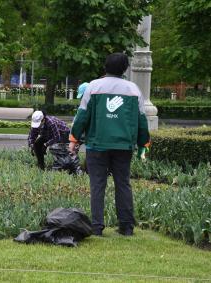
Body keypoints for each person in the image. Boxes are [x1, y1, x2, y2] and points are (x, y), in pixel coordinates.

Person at [69, 53, 150, 236]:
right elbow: (142, 120)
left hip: (97, 145)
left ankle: (97, 228)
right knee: (123, 184)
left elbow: (82, 115)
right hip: (124, 146)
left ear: (105, 66)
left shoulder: (93, 87)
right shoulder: (133, 89)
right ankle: (126, 227)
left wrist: (74, 140)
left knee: (97, 185)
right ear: (125, 69)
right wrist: (143, 145)